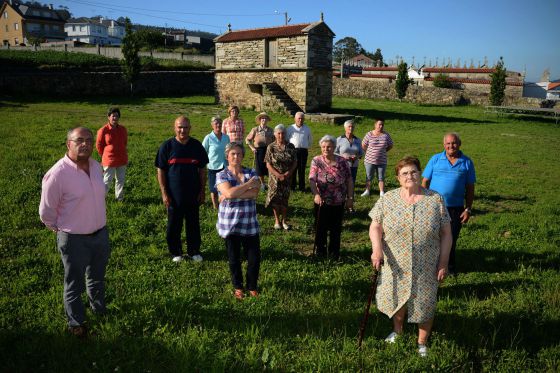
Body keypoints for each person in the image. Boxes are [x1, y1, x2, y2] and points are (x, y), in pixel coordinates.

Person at [369, 155, 452, 357]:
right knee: (398, 298)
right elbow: (375, 226)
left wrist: (443, 262)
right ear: (398, 177)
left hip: (427, 264)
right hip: (395, 262)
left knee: (425, 301)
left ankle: (422, 342)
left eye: (413, 171)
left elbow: (447, 234)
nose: (409, 176)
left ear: (419, 173)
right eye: (404, 173)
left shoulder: (435, 199)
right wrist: (377, 249)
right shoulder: (388, 199)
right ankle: (397, 331)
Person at [39, 127, 110, 338]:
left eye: (89, 140)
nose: (85, 144)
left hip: (100, 234)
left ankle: (98, 309)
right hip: (74, 238)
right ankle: (76, 321)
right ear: (68, 144)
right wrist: (60, 230)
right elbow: (46, 211)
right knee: (74, 282)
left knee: (97, 277)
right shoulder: (57, 174)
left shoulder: (97, 167)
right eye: (79, 140)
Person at [155, 116, 209, 263]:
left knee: (193, 224)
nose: (182, 130)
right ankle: (175, 252)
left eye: (185, 127)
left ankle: (194, 251)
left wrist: (202, 191)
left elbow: (202, 170)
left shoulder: (197, 146)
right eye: (180, 127)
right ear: (175, 128)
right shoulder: (167, 146)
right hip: (174, 195)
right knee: (174, 225)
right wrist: (164, 193)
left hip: (193, 194)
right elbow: (161, 171)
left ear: (190, 128)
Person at [421, 132, 476, 275]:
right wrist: (422, 202)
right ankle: (430, 265)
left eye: (454, 143)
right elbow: (425, 182)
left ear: (459, 144)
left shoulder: (467, 162)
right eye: (448, 143)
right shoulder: (435, 159)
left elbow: (470, 188)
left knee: (450, 239)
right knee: (431, 237)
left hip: (455, 209)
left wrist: (468, 209)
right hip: (434, 207)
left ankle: (448, 268)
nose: (451, 146)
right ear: (444, 145)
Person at [216, 142, 261, 299]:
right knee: (234, 258)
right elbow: (228, 193)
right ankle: (238, 286)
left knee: (254, 258)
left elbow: (254, 194)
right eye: (233, 154)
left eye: (239, 154)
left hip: (249, 224)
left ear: (243, 156)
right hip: (230, 224)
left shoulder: (251, 172)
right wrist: (247, 186)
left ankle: (252, 286)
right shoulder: (221, 175)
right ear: (227, 156)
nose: (236, 156)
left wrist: (231, 194)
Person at [309, 135, 354, 260]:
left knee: (336, 229)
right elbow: (312, 180)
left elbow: (349, 180)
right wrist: (316, 194)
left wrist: (350, 198)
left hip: (338, 201)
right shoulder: (316, 160)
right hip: (321, 201)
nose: (326, 149)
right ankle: (320, 252)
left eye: (329, 146)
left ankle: (334, 253)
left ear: (334, 147)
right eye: (323, 147)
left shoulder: (342, 162)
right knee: (320, 228)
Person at [264, 124, 297, 230]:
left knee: (284, 199)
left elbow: (295, 162)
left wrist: (288, 173)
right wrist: (278, 174)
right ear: (275, 134)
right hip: (274, 178)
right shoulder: (271, 147)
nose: (281, 135)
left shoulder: (291, 146)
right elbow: (268, 164)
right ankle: (277, 220)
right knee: (275, 199)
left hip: (287, 177)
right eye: (278, 133)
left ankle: (284, 220)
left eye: (282, 133)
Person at [96, 107, 128, 201]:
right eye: (113, 116)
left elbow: (124, 142)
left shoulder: (123, 129)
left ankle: (119, 198)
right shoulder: (103, 130)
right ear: (108, 117)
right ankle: (101, 198)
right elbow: (99, 146)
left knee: (120, 180)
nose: (115, 118)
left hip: (122, 159)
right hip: (109, 160)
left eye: (117, 116)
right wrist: (105, 155)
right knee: (107, 180)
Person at [202, 116, 230, 209]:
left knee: (224, 187)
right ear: (212, 125)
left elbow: (229, 151)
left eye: (220, 123)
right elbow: (203, 151)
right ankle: (215, 207)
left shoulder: (226, 137)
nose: (218, 125)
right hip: (213, 166)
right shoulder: (208, 138)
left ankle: (223, 204)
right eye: (216, 123)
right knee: (213, 189)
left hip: (224, 166)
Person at [361, 118, 393, 197]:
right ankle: (367, 190)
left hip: (382, 161)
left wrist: (383, 151)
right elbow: (363, 145)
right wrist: (369, 152)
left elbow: (391, 145)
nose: (381, 126)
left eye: (382, 125)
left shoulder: (386, 135)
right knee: (369, 176)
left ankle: (381, 192)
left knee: (381, 177)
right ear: (375, 125)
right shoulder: (369, 134)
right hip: (369, 160)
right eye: (379, 124)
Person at [246, 112, 274, 190]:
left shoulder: (271, 130)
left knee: (269, 167)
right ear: (260, 120)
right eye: (262, 118)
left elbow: (274, 140)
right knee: (260, 168)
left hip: (269, 150)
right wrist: (252, 148)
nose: (264, 120)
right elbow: (247, 140)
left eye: (265, 118)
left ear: (267, 120)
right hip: (259, 151)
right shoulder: (255, 130)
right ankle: (262, 183)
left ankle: (270, 182)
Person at [287, 111, 312, 192]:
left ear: (304, 119)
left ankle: (302, 187)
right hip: (293, 151)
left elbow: (310, 140)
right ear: (295, 119)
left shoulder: (307, 129)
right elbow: (286, 139)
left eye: (302, 118)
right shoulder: (290, 128)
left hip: (303, 151)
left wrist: (306, 146)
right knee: (293, 169)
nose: (300, 120)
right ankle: (292, 186)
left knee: (302, 169)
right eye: (299, 118)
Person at [334, 119, 363, 187]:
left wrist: (357, 157)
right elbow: (334, 153)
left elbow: (361, 153)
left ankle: (350, 196)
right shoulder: (339, 139)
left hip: (354, 165)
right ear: (345, 128)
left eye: (352, 127)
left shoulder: (358, 140)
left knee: (351, 183)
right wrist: (342, 156)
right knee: (341, 183)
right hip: (342, 165)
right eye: (349, 126)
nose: (351, 128)